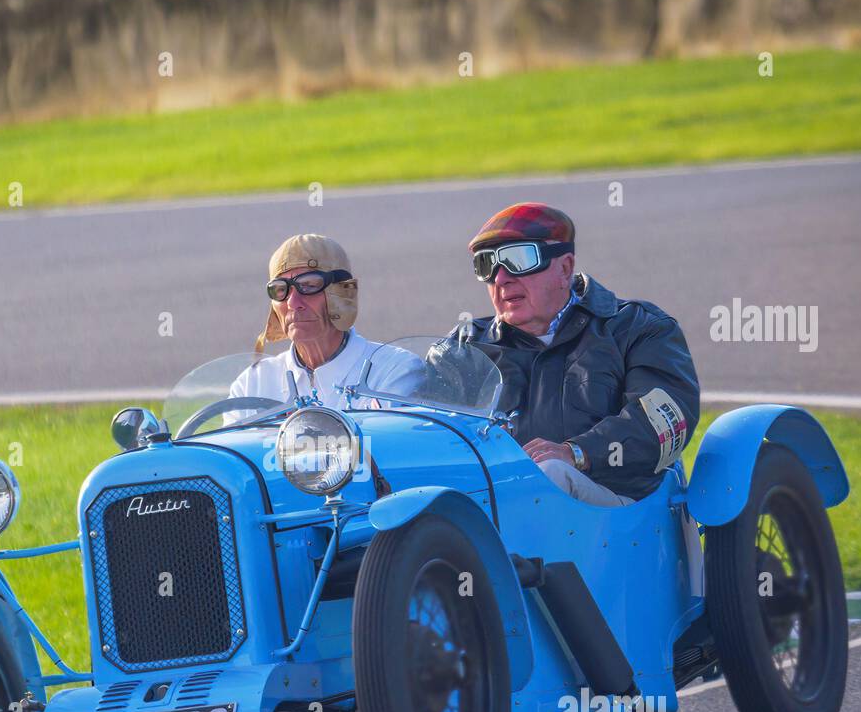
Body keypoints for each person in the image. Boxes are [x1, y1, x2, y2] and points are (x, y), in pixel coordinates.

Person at [440, 202, 700, 505]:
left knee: (550, 475)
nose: (501, 278)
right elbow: (428, 430)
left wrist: (578, 452)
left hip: (613, 504)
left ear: (564, 267)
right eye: (487, 264)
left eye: (519, 259)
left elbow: (664, 422)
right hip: (494, 504)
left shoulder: (638, 328)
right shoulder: (463, 349)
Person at [229, 234, 423, 411]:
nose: (292, 303)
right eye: (281, 290)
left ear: (343, 292)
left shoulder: (395, 372)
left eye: (309, 285)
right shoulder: (252, 385)